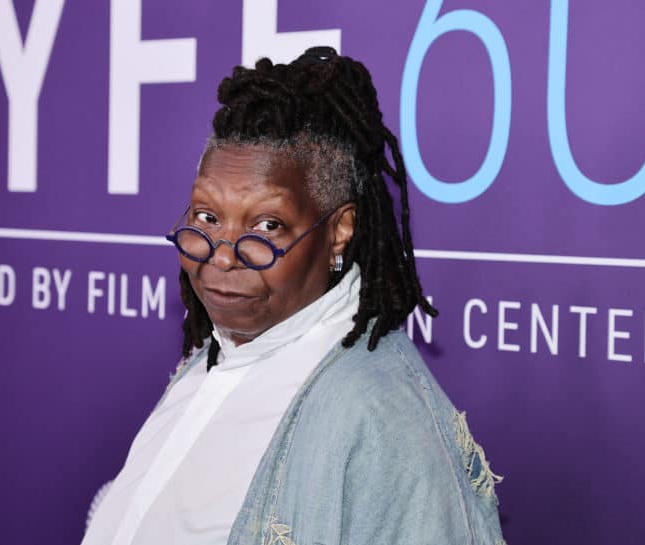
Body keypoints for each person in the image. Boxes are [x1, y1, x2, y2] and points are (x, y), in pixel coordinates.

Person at [81, 46, 505, 545]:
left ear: (340, 230)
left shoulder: (383, 420)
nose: (222, 257)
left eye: (267, 225)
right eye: (207, 217)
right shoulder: (215, 357)